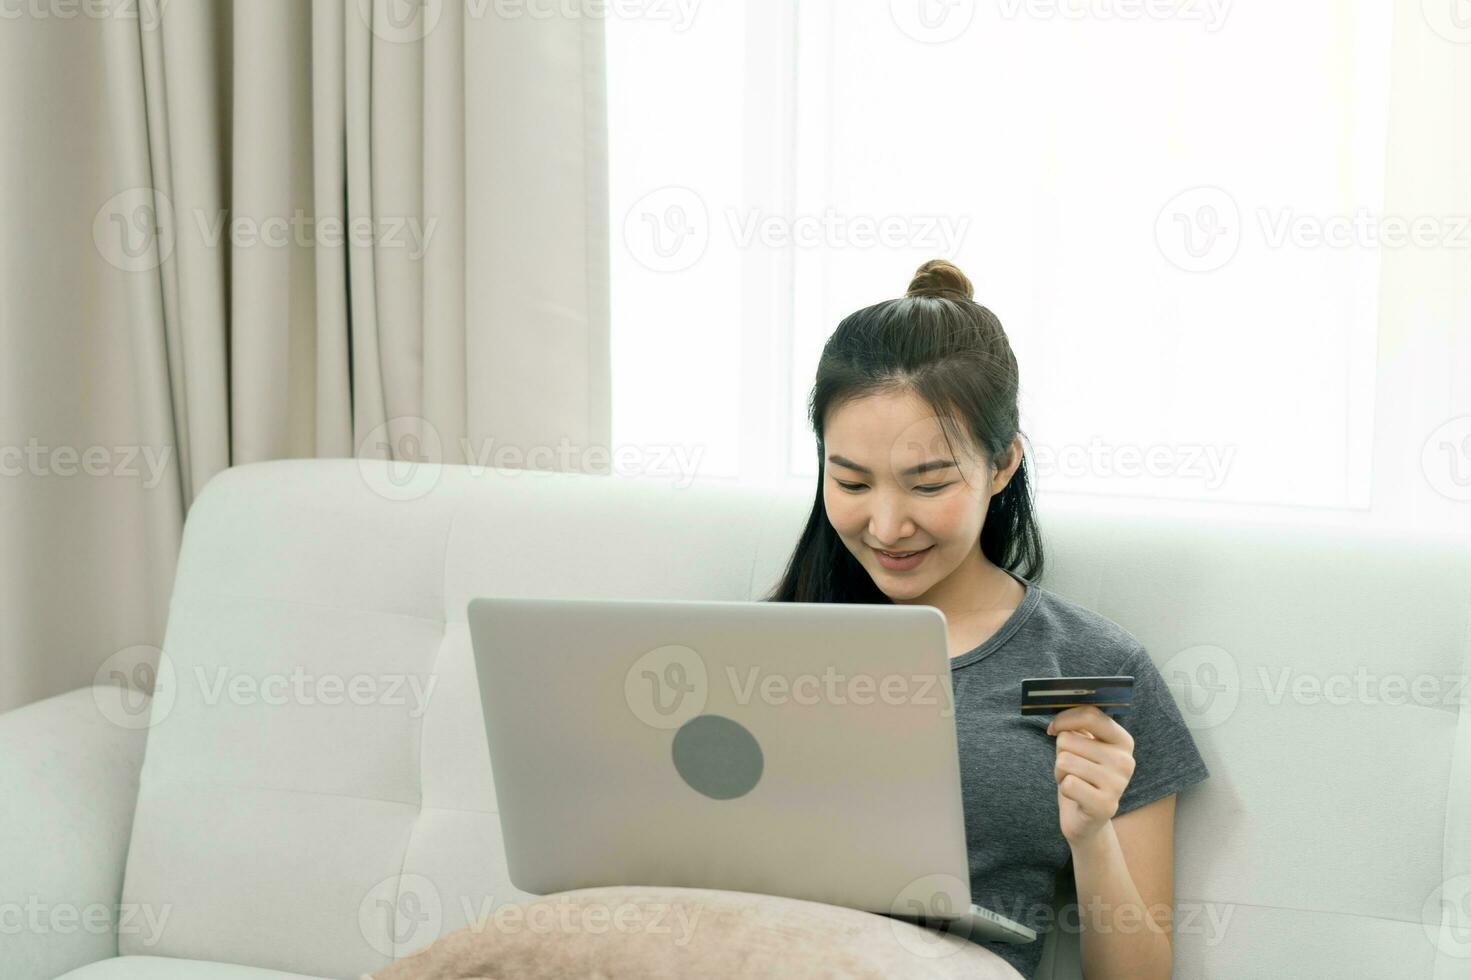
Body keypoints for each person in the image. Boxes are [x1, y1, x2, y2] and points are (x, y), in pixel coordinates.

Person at [763, 259, 1210, 980]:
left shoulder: (1092, 666)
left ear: (1002, 465)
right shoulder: (763, 646)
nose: (885, 524)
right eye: (849, 481)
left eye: (928, 483)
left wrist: (1091, 837)